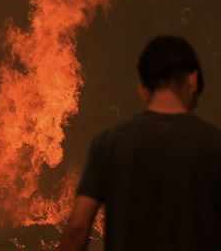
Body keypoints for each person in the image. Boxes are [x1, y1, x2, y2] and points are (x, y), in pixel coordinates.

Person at [59, 35, 221, 250]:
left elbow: (77, 230)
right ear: (193, 80)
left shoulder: (108, 144)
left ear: (143, 89)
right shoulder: (214, 144)